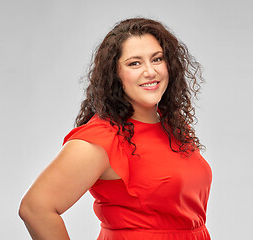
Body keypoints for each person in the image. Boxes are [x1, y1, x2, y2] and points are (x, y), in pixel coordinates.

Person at [19, 17, 212, 240]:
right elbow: (35, 208)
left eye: (157, 59)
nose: (150, 71)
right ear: (115, 75)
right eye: (134, 63)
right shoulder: (103, 138)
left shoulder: (173, 128)